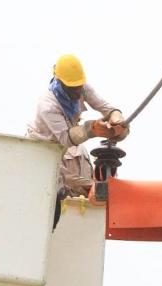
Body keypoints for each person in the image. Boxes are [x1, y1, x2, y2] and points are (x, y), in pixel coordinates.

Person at [27, 54, 128, 198]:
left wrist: (116, 118)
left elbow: (105, 107)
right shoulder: (48, 105)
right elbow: (66, 137)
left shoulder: (82, 87)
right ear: (60, 83)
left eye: (79, 86)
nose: (77, 91)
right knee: (51, 193)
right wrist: (92, 129)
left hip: (62, 147)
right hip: (42, 149)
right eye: (72, 88)